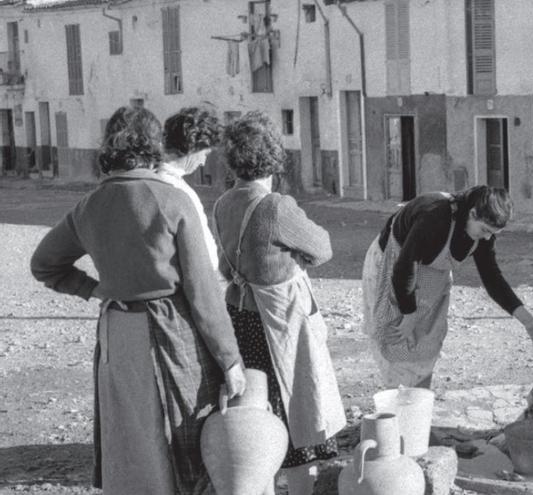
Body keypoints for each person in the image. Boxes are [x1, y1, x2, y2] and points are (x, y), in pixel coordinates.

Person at [30, 105, 246, 493]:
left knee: (128, 435)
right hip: (168, 328)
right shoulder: (171, 200)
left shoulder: (90, 205)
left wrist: (91, 288)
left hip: (115, 332)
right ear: (153, 144)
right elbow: (203, 293)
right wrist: (230, 359)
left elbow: (44, 264)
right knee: (181, 431)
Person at [213, 111, 346, 495]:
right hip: (279, 325)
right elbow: (322, 248)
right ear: (272, 155)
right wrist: (291, 258)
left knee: (254, 417)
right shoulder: (276, 206)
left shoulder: (223, 203)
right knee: (296, 417)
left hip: (239, 317)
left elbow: (225, 263)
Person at [362, 185, 533, 389]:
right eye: (485, 231)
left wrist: (527, 321)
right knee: (397, 339)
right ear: (472, 213)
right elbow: (404, 268)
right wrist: (409, 314)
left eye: (493, 233)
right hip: (393, 266)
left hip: (432, 275)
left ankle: (419, 400)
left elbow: (492, 278)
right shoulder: (434, 216)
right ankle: (398, 404)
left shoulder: (482, 233)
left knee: (426, 342)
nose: (488, 238)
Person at [157, 106, 222, 271]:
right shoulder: (181, 193)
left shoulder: (148, 179)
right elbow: (205, 257)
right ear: (193, 149)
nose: (203, 163)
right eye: (204, 155)